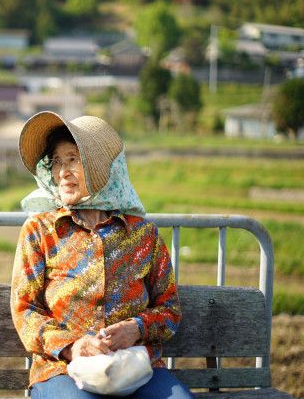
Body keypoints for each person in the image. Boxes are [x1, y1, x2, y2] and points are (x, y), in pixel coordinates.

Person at [10, 111, 194, 399]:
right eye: (57, 162)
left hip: (134, 369)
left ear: (102, 169)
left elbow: (169, 309)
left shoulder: (143, 235)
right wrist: (73, 346)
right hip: (62, 369)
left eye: (73, 159)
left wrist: (135, 329)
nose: (62, 172)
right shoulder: (41, 231)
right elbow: (25, 310)